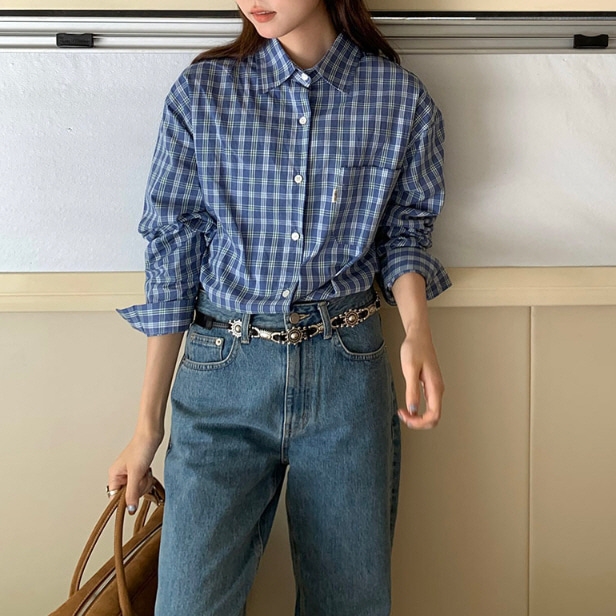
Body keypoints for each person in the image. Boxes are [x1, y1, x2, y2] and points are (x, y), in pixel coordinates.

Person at [109, 1, 450, 614]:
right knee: (188, 604)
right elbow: (173, 255)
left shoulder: (400, 100)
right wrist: (145, 429)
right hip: (221, 372)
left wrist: (417, 332)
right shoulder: (203, 93)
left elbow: (406, 233)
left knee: (347, 603)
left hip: (346, 371)